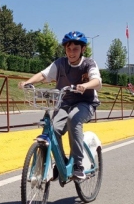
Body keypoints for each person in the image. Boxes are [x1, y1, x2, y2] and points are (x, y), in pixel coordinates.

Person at [17, 31, 101, 181]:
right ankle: (61, 162)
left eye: (75, 49)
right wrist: (28, 82)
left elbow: (97, 81)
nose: (71, 52)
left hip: (86, 103)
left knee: (73, 119)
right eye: (68, 49)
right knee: (54, 129)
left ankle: (78, 166)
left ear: (83, 49)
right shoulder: (60, 63)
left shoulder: (89, 63)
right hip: (65, 102)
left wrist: (85, 86)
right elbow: (43, 74)